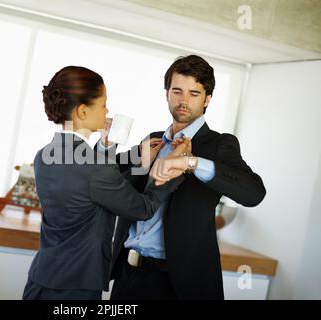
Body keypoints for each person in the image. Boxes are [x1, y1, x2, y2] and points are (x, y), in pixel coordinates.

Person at [22, 66, 190, 300]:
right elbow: (142, 208)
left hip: (41, 277)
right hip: (76, 285)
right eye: (103, 104)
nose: (107, 110)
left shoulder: (44, 155)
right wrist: (169, 169)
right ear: (82, 111)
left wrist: (134, 158)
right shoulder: (95, 167)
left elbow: (93, 187)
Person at [109, 55, 267, 300]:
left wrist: (190, 163)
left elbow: (254, 193)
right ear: (166, 93)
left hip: (178, 286)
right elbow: (107, 181)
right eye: (177, 91)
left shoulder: (219, 145)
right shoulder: (152, 140)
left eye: (194, 93)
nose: (184, 100)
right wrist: (114, 148)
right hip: (127, 277)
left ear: (208, 99)